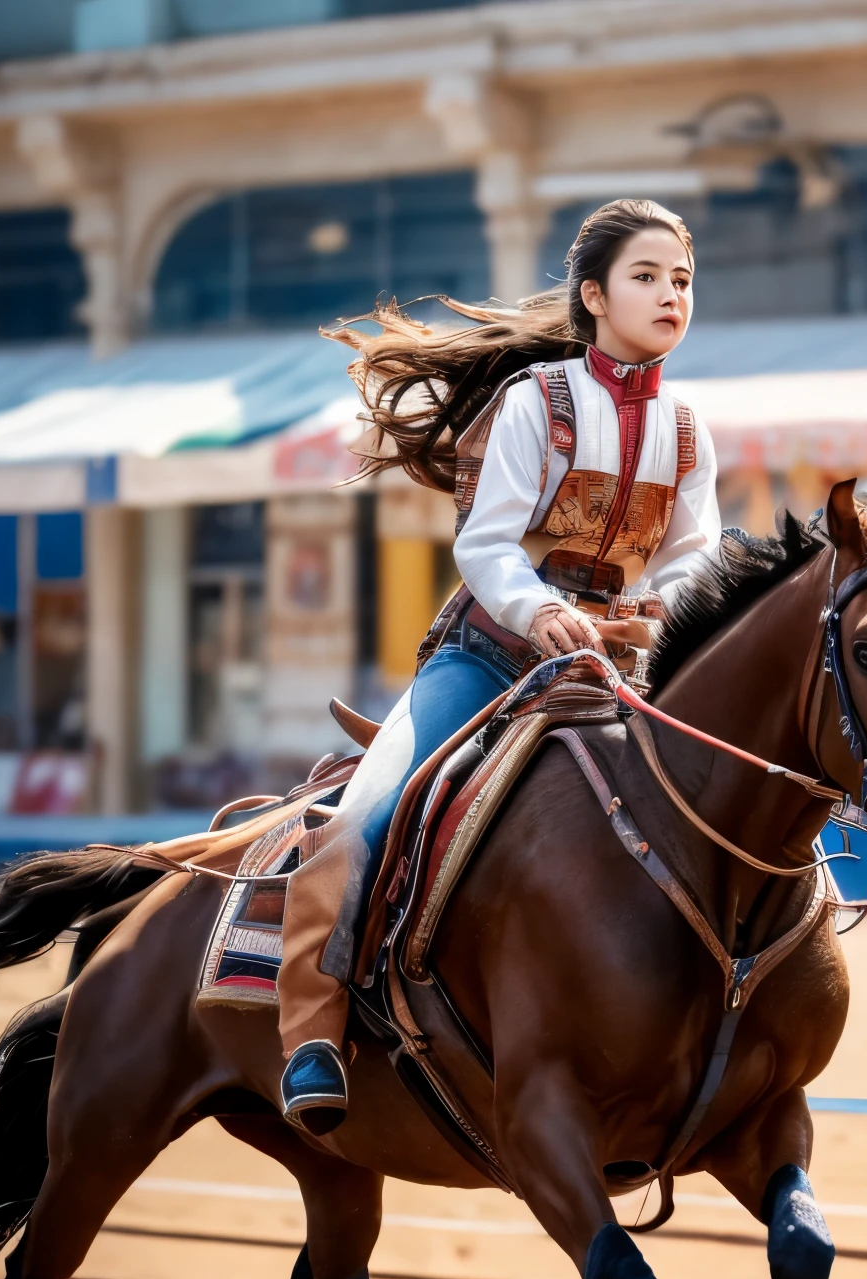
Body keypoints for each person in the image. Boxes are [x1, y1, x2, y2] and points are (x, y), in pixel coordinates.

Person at [274, 199, 722, 1134]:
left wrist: (660, 608)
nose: (670, 294)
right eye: (647, 277)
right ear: (593, 296)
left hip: (616, 674)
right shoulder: (536, 400)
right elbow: (485, 544)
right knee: (367, 815)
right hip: (488, 658)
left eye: (681, 279)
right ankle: (312, 1032)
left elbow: (695, 553)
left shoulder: (689, 428)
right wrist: (542, 609)